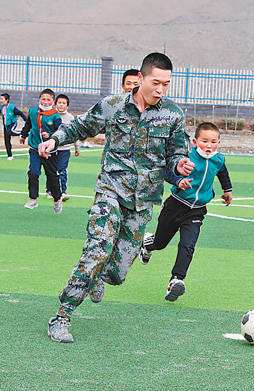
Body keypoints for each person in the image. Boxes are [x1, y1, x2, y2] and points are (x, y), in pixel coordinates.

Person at [39, 52, 194, 343]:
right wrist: (54, 139)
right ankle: (61, 316)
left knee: (118, 273)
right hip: (110, 190)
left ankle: (99, 276)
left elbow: (177, 154)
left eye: (167, 84)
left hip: (143, 199)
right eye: (156, 82)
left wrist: (179, 166)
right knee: (97, 249)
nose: (161, 90)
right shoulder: (113, 106)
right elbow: (79, 126)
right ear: (141, 79)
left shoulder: (173, 114)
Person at [139, 121, 233, 301]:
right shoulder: (187, 158)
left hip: (196, 211)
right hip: (175, 205)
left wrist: (227, 190)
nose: (209, 145)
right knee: (160, 242)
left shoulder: (218, 159)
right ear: (195, 141)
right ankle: (147, 244)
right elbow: (169, 172)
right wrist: (178, 181)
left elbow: (223, 173)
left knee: (187, 245)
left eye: (213, 142)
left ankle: (176, 280)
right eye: (204, 141)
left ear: (218, 142)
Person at [20, 88, 63, 213]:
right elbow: (28, 124)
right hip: (34, 148)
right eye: (43, 99)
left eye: (48, 99)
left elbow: (60, 132)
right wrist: (23, 135)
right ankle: (33, 199)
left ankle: (57, 199)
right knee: (33, 172)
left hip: (49, 151)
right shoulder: (33, 111)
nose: (45, 101)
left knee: (51, 176)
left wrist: (49, 135)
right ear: (39, 99)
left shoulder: (55, 116)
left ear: (53, 101)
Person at [45, 94, 80, 201]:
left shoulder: (70, 118)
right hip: (52, 148)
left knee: (62, 169)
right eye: (59, 103)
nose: (61, 105)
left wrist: (77, 147)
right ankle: (49, 190)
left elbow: (75, 133)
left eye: (64, 103)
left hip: (64, 149)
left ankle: (63, 191)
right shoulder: (50, 115)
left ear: (67, 106)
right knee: (51, 170)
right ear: (55, 104)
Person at [0, 92, 27, 160]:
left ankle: (22, 133)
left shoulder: (12, 107)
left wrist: (27, 122)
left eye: (2, 99)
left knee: (10, 131)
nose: (1, 100)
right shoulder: (2, 107)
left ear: (7, 100)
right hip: (6, 126)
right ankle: (10, 156)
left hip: (13, 124)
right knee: (6, 140)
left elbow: (20, 113)